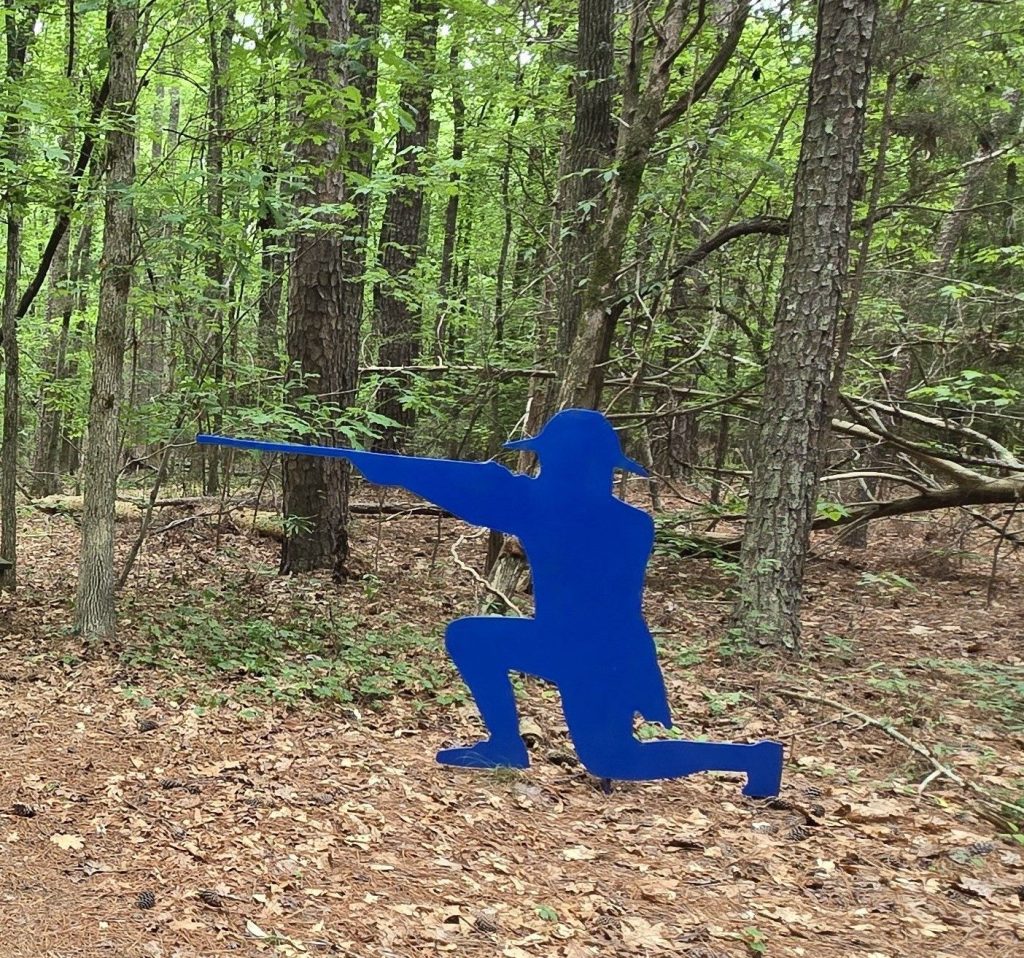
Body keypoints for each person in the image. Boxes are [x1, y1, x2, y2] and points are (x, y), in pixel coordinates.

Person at [198, 409, 783, 796]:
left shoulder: (568, 512)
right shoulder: (630, 520)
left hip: (596, 653)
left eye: (552, 460)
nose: (544, 468)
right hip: (579, 644)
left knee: (613, 759)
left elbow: (495, 497)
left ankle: (750, 757)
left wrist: (394, 473)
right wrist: (392, 470)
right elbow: (494, 496)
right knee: (473, 636)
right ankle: (505, 744)